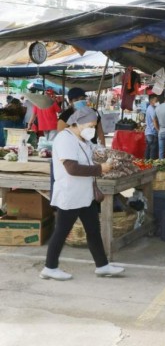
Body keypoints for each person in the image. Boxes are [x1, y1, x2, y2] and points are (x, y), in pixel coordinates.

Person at [41, 107, 124, 281]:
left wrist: (107, 159)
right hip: (70, 194)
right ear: (77, 123)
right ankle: (50, 267)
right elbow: (72, 168)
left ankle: (102, 265)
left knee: (93, 230)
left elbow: (93, 155)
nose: (92, 129)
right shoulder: (64, 139)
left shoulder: (83, 140)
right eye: (90, 125)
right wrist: (100, 168)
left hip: (85, 194)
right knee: (62, 231)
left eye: (94, 126)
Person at [144, 94, 159, 159]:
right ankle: (152, 164)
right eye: (156, 100)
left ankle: (147, 162)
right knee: (153, 149)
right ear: (151, 101)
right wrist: (158, 130)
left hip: (148, 132)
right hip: (152, 133)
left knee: (148, 148)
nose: (157, 102)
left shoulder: (149, 108)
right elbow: (154, 121)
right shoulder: (151, 109)